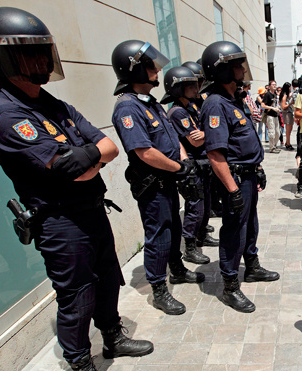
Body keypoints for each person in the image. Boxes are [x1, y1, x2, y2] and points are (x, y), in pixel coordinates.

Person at [0, 7, 153, 371]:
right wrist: (89, 158)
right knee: (76, 295)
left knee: (109, 277)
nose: (42, 61)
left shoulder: (51, 103)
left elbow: (107, 146)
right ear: (3, 58)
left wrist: (88, 156)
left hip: (90, 211)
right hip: (59, 221)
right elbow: (74, 170)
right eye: (32, 54)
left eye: (45, 52)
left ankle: (112, 337)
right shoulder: (6, 114)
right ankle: (81, 367)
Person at [111, 40, 204, 317]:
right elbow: (144, 151)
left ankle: (176, 270)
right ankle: (159, 290)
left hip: (169, 180)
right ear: (134, 69)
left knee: (173, 227)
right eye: (150, 66)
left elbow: (174, 139)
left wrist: (184, 161)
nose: (155, 71)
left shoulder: (150, 103)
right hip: (153, 183)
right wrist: (178, 168)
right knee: (158, 235)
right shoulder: (127, 107)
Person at [200, 40, 279, 313]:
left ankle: (252, 267)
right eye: (234, 65)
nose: (241, 69)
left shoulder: (233, 99)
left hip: (247, 176)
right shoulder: (215, 104)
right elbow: (215, 154)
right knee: (234, 230)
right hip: (234, 179)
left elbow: (243, 141)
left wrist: (257, 168)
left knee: (250, 225)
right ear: (221, 71)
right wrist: (232, 190)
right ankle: (230, 286)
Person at [161, 65, 219, 266]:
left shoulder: (192, 106)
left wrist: (205, 133)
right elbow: (195, 140)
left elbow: (203, 132)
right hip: (192, 164)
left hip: (203, 163)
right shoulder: (177, 112)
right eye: (191, 85)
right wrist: (209, 133)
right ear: (179, 89)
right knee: (195, 207)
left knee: (206, 204)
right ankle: (190, 247)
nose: (197, 88)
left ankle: (202, 235)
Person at [261, 80, 280, 153]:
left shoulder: (275, 95)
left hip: (276, 115)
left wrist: (278, 108)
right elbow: (263, 105)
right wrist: (272, 108)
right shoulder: (267, 94)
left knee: (278, 132)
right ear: (269, 86)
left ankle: (274, 145)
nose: (274, 86)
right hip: (270, 115)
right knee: (271, 132)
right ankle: (271, 148)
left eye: (275, 84)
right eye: (273, 84)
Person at [280, 82, 295, 150]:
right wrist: (290, 103)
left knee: (290, 129)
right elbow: (283, 106)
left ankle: (287, 142)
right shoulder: (284, 96)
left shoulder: (287, 95)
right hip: (287, 113)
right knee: (288, 130)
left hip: (289, 113)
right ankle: (288, 143)